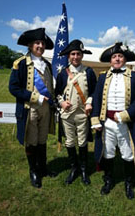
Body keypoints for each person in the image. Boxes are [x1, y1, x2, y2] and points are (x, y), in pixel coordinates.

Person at [91, 42, 135, 199]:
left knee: (128, 154)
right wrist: (95, 120)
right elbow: (96, 99)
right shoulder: (102, 77)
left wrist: (125, 115)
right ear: (110, 61)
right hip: (106, 123)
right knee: (107, 153)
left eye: (120, 56)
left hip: (127, 124)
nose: (117, 59)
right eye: (114, 56)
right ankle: (108, 180)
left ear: (125, 59)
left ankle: (129, 182)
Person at [9, 28, 57, 188]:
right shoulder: (21, 63)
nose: (40, 46)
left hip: (45, 110)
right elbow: (13, 88)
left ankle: (43, 168)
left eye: (42, 43)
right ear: (30, 45)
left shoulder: (48, 65)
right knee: (31, 141)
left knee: (42, 139)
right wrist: (35, 97)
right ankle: (33, 171)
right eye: (37, 43)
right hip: (30, 109)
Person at [55, 39, 97, 185]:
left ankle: (84, 169)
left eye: (78, 54)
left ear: (82, 55)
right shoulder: (62, 73)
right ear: (69, 56)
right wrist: (62, 102)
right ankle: (74, 168)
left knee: (83, 141)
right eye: (73, 54)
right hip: (67, 114)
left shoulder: (89, 72)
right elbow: (57, 93)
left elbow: (94, 92)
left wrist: (90, 103)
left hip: (82, 114)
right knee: (70, 141)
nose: (75, 57)